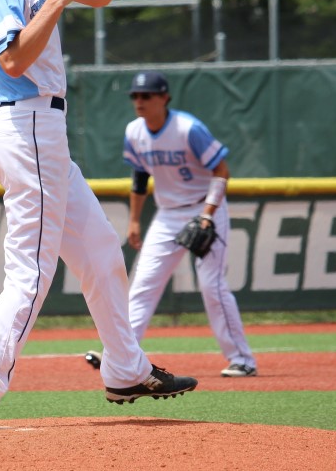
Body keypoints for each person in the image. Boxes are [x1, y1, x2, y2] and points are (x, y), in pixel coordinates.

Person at [0, 0, 197, 430]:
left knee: (102, 252)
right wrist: (57, 0)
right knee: (32, 270)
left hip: (43, 134)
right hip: (25, 125)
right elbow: (14, 61)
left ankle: (125, 370)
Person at [86, 71, 257, 377]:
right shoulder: (134, 131)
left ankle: (242, 359)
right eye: (135, 96)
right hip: (167, 214)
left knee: (212, 285)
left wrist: (207, 213)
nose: (139, 101)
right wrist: (134, 221)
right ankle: (120, 354)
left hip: (205, 209)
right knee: (142, 284)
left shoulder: (188, 128)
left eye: (146, 95)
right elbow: (140, 178)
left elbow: (222, 171)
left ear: (164, 97)